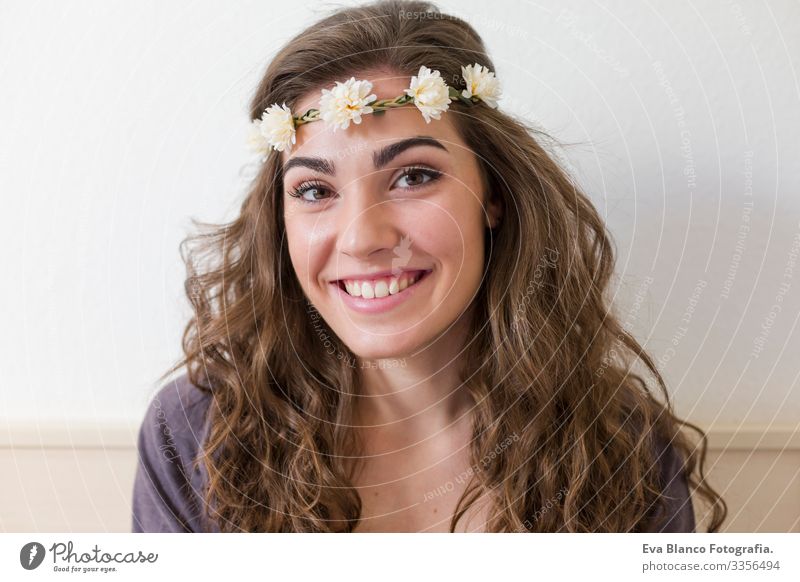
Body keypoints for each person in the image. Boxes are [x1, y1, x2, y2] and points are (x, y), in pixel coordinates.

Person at [133, 0, 726, 533]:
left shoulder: (622, 447)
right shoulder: (195, 436)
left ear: (493, 195)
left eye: (414, 176)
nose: (364, 238)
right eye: (315, 189)